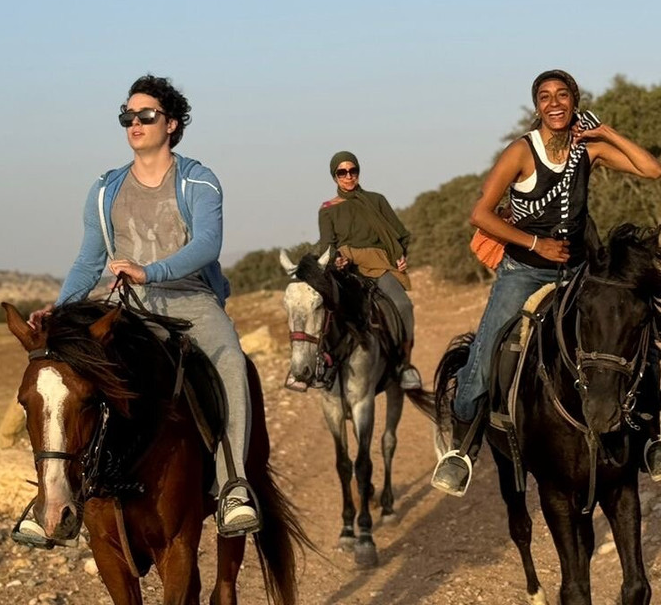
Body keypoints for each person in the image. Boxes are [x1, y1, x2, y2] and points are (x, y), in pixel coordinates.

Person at [22, 75, 259, 537]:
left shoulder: (198, 180)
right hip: (116, 300)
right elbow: (89, 259)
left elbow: (209, 243)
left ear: (170, 123)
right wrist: (60, 311)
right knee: (55, 374)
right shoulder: (104, 189)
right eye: (127, 116)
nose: (135, 122)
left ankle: (233, 485)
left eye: (145, 115)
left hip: (187, 296)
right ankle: (52, 496)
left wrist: (152, 272)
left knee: (230, 359)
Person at [431, 69, 661, 496]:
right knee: (488, 348)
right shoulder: (521, 152)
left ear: (574, 101)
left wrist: (607, 133)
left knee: (638, 335)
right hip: (525, 270)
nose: (554, 103)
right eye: (545, 97)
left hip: (583, 268)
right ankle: (462, 447)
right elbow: (481, 214)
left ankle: (651, 439)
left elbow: (652, 170)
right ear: (537, 106)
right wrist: (536, 243)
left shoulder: (590, 149)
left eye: (562, 95)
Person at [306, 151, 422, 391]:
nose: (348, 176)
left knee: (403, 306)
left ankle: (405, 365)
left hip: (379, 264)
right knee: (321, 310)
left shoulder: (376, 200)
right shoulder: (327, 209)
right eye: (342, 172)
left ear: (358, 171)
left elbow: (400, 234)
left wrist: (401, 257)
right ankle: (318, 365)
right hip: (347, 270)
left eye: (352, 171)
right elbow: (327, 243)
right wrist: (335, 259)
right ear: (334, 176)